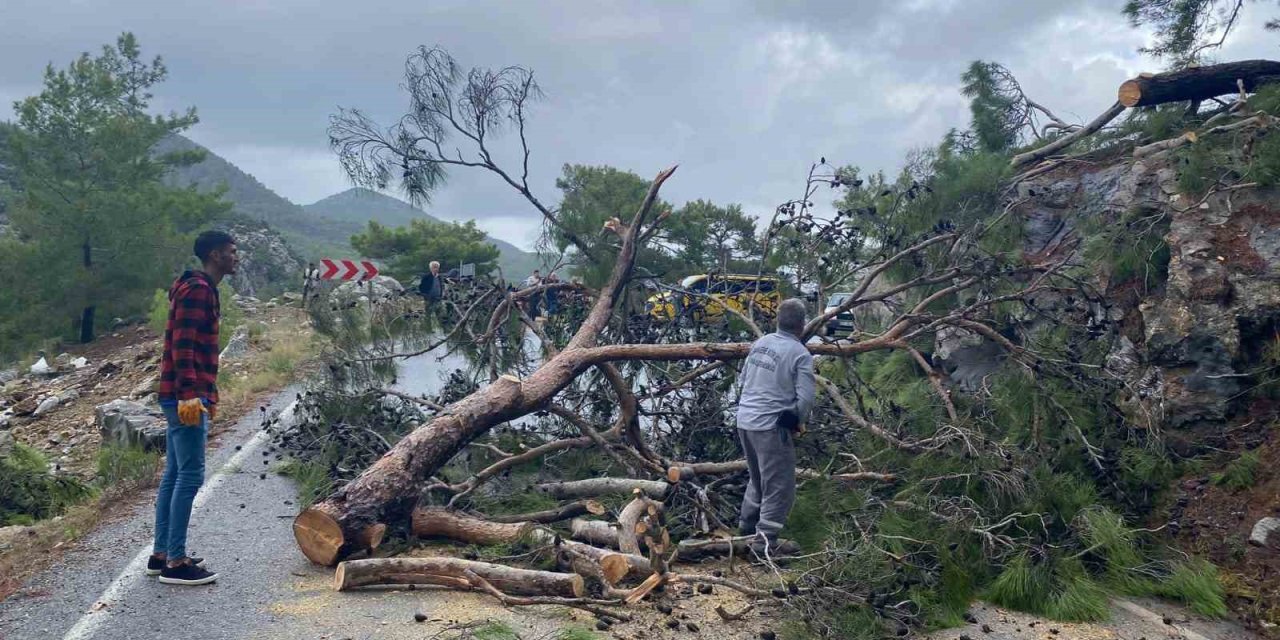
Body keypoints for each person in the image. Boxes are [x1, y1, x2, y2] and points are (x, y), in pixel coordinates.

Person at [151, 230, 239, 586]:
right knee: (189, 475)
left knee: (174, 473)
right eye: (232, 252)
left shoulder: (199, 288)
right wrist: (192, 396)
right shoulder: (199, 289)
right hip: (185, 395)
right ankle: (176, 562)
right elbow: (181, 346)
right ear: (216, 255)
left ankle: (161, 554)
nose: (237, 257)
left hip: (184, 393)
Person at [735, 298, 815, 553]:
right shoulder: (800, 354)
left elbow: (744, 380)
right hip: (770, 426)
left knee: (758, 478)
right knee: (779, 485)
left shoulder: (761, 343)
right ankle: (764, 544)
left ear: (778, 320)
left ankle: (745, 529)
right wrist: (796, 422)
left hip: (745, 421)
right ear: (802, 325)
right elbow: (805, 399)